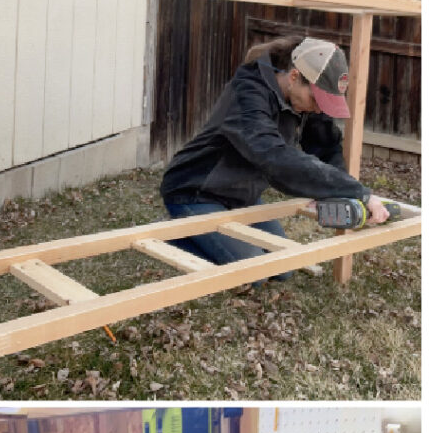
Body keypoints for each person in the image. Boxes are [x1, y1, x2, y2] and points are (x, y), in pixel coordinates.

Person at [160, 35, 390, 269]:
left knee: (282, 269)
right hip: (196, 190)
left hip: (241, 196)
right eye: (316, 99)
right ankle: (174, 235)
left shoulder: (304, 98)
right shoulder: (247, 94)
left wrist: (334, 192)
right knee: (256, 271)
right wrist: (358, 191)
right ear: (294, 77)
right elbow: (274, 157)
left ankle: (205, 237)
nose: (319, 108)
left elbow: (325, 145)